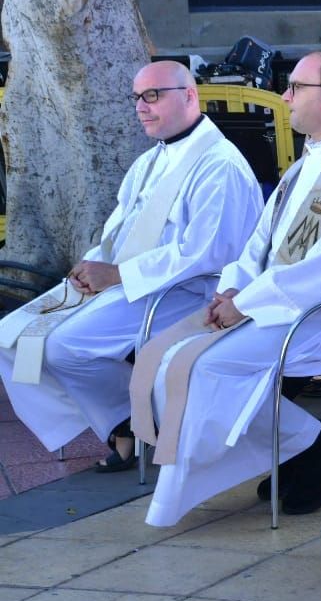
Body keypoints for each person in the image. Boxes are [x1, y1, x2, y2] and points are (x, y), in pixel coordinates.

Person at [129, 50, 321, 525]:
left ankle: (312, 445)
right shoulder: (306, 165)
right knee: (163, 358)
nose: (285, 97)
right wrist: (232, 291)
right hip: (272, 307)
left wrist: (248, 303)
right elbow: (259, 245)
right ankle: (304, 446)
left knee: (209, 369)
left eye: (296, 88)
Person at [0, 62, 261, 471]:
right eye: (137, 97)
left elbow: (208, 252)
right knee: (11, 336)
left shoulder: (218, 164)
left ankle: (131, 420)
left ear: (189, 95)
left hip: (184, 292)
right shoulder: (152, 159)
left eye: (153, 96)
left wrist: (118, 274)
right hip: (131, 281)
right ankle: (122, 420)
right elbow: (118, 228)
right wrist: (94, 264)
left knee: (63, 347)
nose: (141, 107)